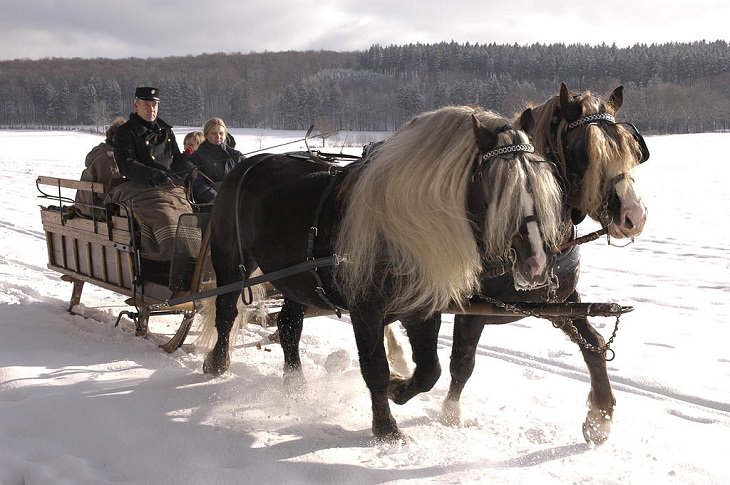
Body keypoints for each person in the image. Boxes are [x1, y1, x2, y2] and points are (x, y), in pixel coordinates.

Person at [107, 86, 195, 279]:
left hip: (169, 189)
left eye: (154, 104)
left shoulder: (166, 130)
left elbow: (176, 158)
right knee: (166, 218)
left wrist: (189, 167)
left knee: (189, 220)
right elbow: (126, 164)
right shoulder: (126, 132)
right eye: (146, 104)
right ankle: (163, 270)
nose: (151, 108)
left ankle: (191, 267)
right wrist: (153, 174)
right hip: (139, 188)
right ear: (136, 105)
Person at [74, 116, 126, 219]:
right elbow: (106, 194)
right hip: (95, 209)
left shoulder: (102, 151)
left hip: (86, 206)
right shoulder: (108, 159)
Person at [189, 117, 245, 205]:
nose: (218, 136)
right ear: (206, 135)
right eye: (214, 133)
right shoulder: (197, 157)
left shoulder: (236, 155)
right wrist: (217, 199)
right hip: (210, 206)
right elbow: (196, 184)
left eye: (221, 133)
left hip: (237, 204)